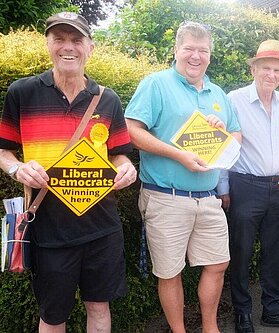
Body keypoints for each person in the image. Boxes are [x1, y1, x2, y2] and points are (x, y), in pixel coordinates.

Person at [0, 12, 137, 333]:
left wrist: (127, 170)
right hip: (49, 229)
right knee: (52, 315)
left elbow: (120, 157)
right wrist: (18, 168)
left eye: (76, 40)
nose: (68, 47)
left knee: (99, 306)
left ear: (90, 47)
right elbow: (3, 152)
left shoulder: (108, 99)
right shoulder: (22, 93)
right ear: (47, 44)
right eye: (59, 39)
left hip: (101, 227)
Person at [124, 21, 241, 333]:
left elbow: (236, 134)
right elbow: (131, 132)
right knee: (169, 271)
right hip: (166, 196)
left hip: (208, 197)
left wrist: (222, 135)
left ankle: (210, 327)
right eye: (189, 48)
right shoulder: (156, 84)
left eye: (203, 50)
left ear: (210, 56)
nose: (195, 56)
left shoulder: (218, 93)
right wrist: (178, 154)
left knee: (218, 264)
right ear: (175, 51)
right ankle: (179, 331)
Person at [217, 39, 279, 333]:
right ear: (254, 69)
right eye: (266, 68)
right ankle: (242, 313)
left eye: (277, 70)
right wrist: (223, 189)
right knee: (241, 253)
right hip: (245, 187)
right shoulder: (234, 99)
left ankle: (272, 309)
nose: (272, 74)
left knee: (276, 252)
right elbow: (224, 145)